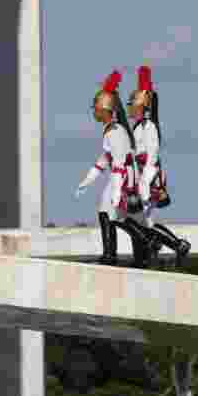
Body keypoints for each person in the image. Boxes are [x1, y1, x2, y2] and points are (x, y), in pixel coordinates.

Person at [75, 70, 150, 266]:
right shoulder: (111, 130)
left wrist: (117, 190)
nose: (94, 112)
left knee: (107, 213)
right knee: (116, 216)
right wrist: (87, 180)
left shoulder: (114, 132)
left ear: (105, 111)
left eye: (96, 109)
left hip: (123, 179)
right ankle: (136, 247)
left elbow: (117, 162)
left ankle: (111, 254)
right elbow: (104, 159)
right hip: (124, 177)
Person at [124, 65, 190, 266]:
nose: (130, 110)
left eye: (134, 106)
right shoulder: (137, 127)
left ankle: (174, 245)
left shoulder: (149, 126)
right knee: (138, 221)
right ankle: (148, 255)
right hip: (140, 177)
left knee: (137, 220)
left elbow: (151, 156)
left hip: (148, 178)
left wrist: (144, 184)